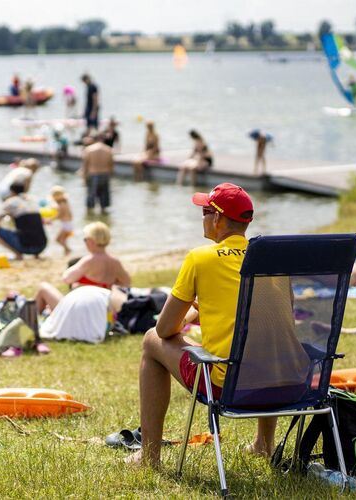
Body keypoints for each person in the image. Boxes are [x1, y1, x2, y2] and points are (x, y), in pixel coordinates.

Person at [128, 183, 273, 467]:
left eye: (205, 211)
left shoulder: (201, 258)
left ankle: (149, 456)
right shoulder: (269, 258)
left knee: (149, 341)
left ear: (217, 219)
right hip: (281, 381)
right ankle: (264, 444)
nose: (203, 218)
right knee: (264, 349)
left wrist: (188, 315)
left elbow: (164, 330)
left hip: (229, 385)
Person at [34, 221, 130, 313]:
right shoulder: (115, 262)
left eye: (85, 239)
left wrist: (82, 285)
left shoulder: (89, 260)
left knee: (43, 287)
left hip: (82, 310)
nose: (85, 242)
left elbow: (66, 278)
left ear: (92, 241)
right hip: (102, 309)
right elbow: (126, 283)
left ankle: (35, 323)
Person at [0, 182, 47, 259]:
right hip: (42, 246)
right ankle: (36, 255)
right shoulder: (32, 200)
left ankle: (18, 254)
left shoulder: (11, 202)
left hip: (24, 247)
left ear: (12, 191)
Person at [81, 133, 115, 214]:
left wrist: (84, 178)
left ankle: (90, 217)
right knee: (104, 201)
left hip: (93, 175)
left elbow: (85, 166)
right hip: (105, 175)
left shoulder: (88, 149)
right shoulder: (108, 150)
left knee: (90, 200)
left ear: (94, 139)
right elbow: (111, 166)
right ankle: (103, 215)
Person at [50, 186, 73, 255]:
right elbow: (70, 215)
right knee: (63, 240)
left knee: (58, 240)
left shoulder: (61, 204)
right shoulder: (66, 203)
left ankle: (68, 250)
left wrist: (51, 219)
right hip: (69, 224)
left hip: (66, 225)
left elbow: (60, 215)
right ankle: (66, 252)